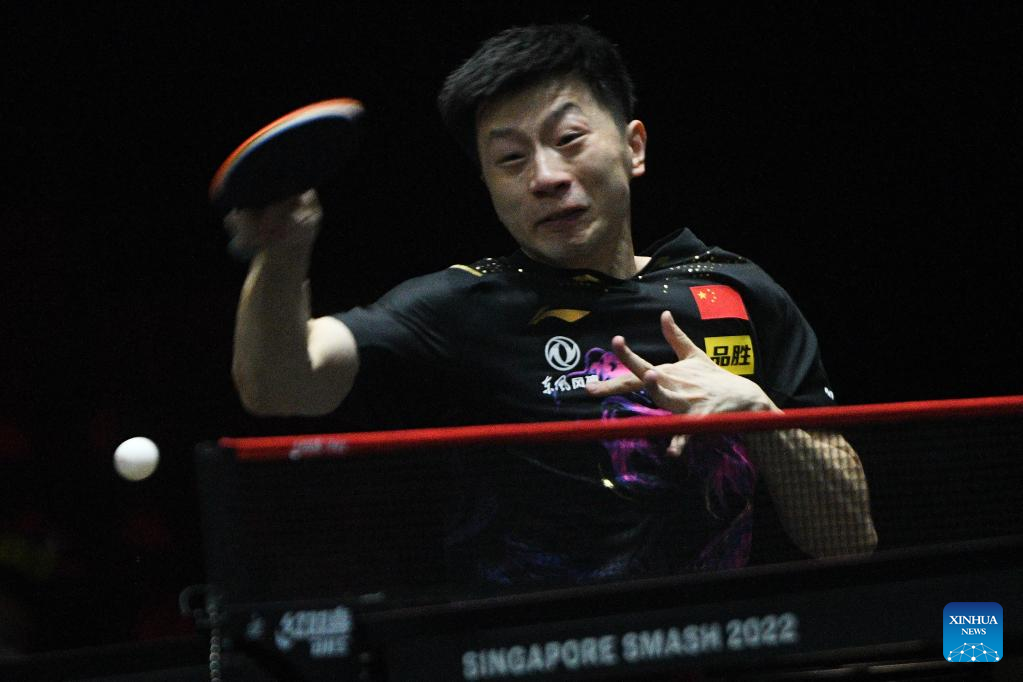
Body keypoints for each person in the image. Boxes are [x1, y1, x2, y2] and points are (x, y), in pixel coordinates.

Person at [227, 24, 876, 586]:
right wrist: (283, 254)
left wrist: (755, 412)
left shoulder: (736, 290)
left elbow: (847, 538)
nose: (544, 177)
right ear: (488, 185)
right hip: (535, 652)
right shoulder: (464, 305)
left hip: (720, 648)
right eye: (510, 159)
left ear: (633, 147)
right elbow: (279, 383)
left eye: (567, 138)